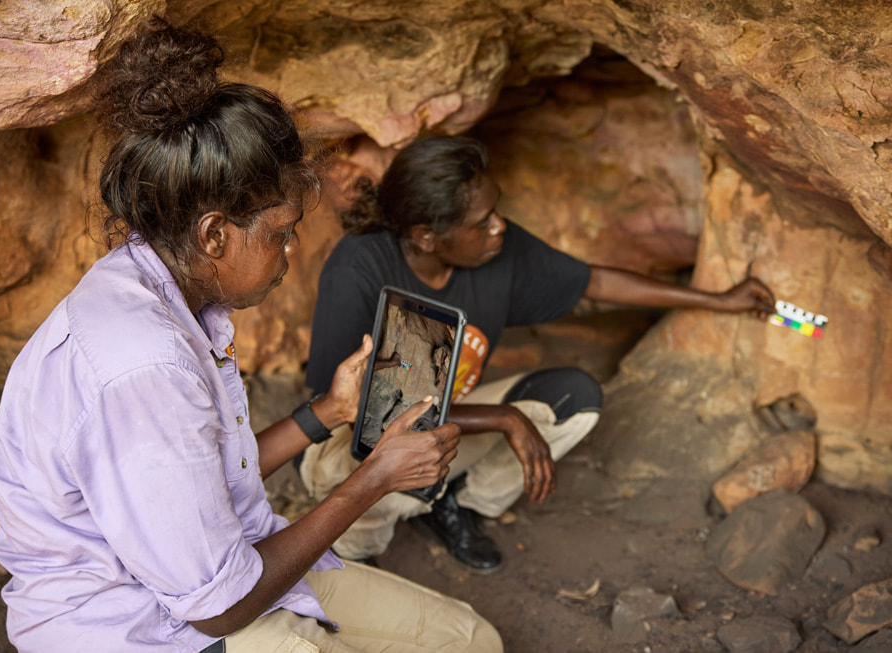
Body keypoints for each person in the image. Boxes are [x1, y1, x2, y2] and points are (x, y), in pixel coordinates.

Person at [0, 26, 501, 653]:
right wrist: (372, 480)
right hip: (143, 628)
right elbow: (217, 608)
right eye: (280, 233)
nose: (289, 254)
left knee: (470, 640)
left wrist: (330, 411)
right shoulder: (144, 367)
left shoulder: (160, 285)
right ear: (213, 235)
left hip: (229, 572)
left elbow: (199, 478)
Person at [301, 137, 775, 573]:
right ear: (426, 236)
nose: (499, 227)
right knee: (363, 475)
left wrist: (719, 299)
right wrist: (504, 417)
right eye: (481, 223)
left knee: (573, 398)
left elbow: (594, 284)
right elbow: (352, 410)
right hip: (353, 439)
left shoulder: (495, 251)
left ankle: (456, 503)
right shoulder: (359, 269)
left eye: (496, 211)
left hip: (446, 421)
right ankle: (352, 552)